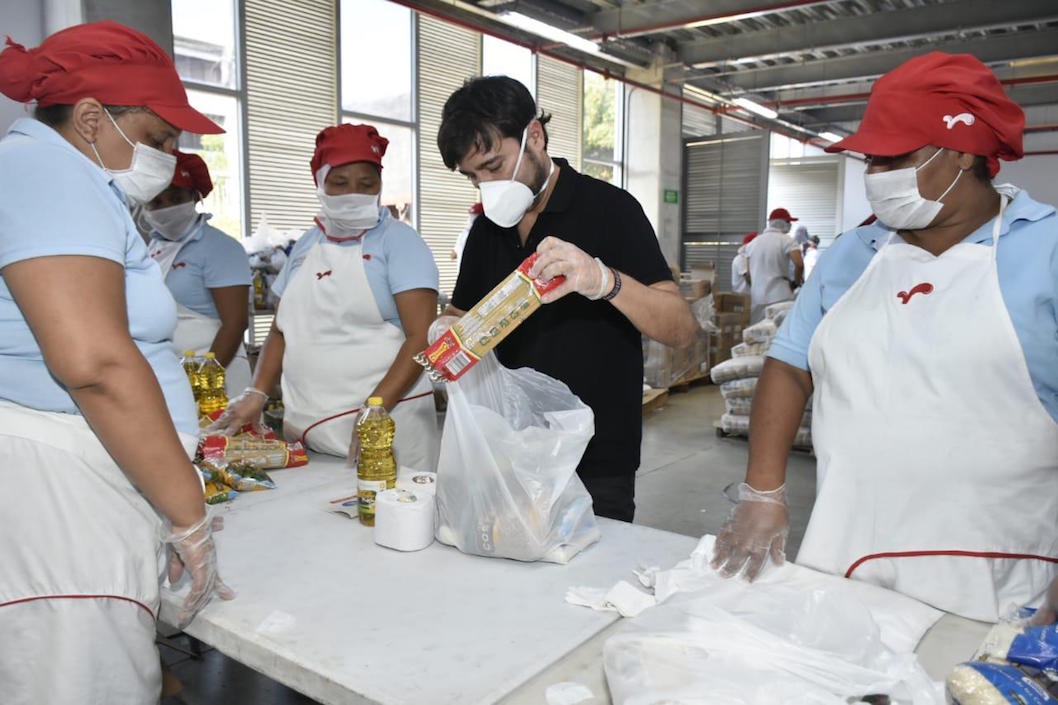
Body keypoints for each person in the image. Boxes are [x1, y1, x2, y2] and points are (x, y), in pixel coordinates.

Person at [710, 52, 1058, 625]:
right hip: (849, 559)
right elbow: (790, 365)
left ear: (964, 152)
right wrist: (763, 492)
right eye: (872, 157)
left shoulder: (1041, 251)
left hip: (1002, 581)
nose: (876, 173)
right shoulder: (855, 253)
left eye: (894, 156)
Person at [0, 21, 233, 705]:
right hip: (59, 496)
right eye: (160, 138)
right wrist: (186, 512)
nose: (169, 155)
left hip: (89, 479)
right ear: (93, 117)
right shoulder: (40, 169)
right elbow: (95, 361)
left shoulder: (72, 179)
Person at [436, 76, 699, 522]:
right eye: (473, 177)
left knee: (586, 586)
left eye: (495, 166)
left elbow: (681, 330)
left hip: (595, 461)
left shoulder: (612, 211)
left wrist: (603, 280)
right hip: (509, 453)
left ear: (533, 136)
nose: (487, 188)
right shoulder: (486, 231)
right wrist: (446, 331)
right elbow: (461, 313)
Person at [213, 123, 441, 472]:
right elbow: (280, 330)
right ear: (319, 181)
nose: (354, 193)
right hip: (306, 434)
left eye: (367, 184)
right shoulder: (307, 244)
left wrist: (375, 409)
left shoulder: (400, 243)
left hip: (383, 435)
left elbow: (421, 336)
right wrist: (256, 392)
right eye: (340, 182)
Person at [144, 150, 252, 395]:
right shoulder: (153, 249)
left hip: (216, 373)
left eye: (175, 198)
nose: (165, 208)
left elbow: (235, 324)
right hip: (171, 372)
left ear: (193, 197)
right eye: (156, 202)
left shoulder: (220, 247)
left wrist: (204, 380)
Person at [744, 207, 803, 322]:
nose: (790, 225)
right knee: (777, 332)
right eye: (788, 222)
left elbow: (748, 275)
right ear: (783, 223)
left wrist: (757, 285)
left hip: (757, 297)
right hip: (780, 296)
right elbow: (799, 264)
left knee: (757, 333)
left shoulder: (753, 243)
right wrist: (796, 283)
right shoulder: (787, 240)